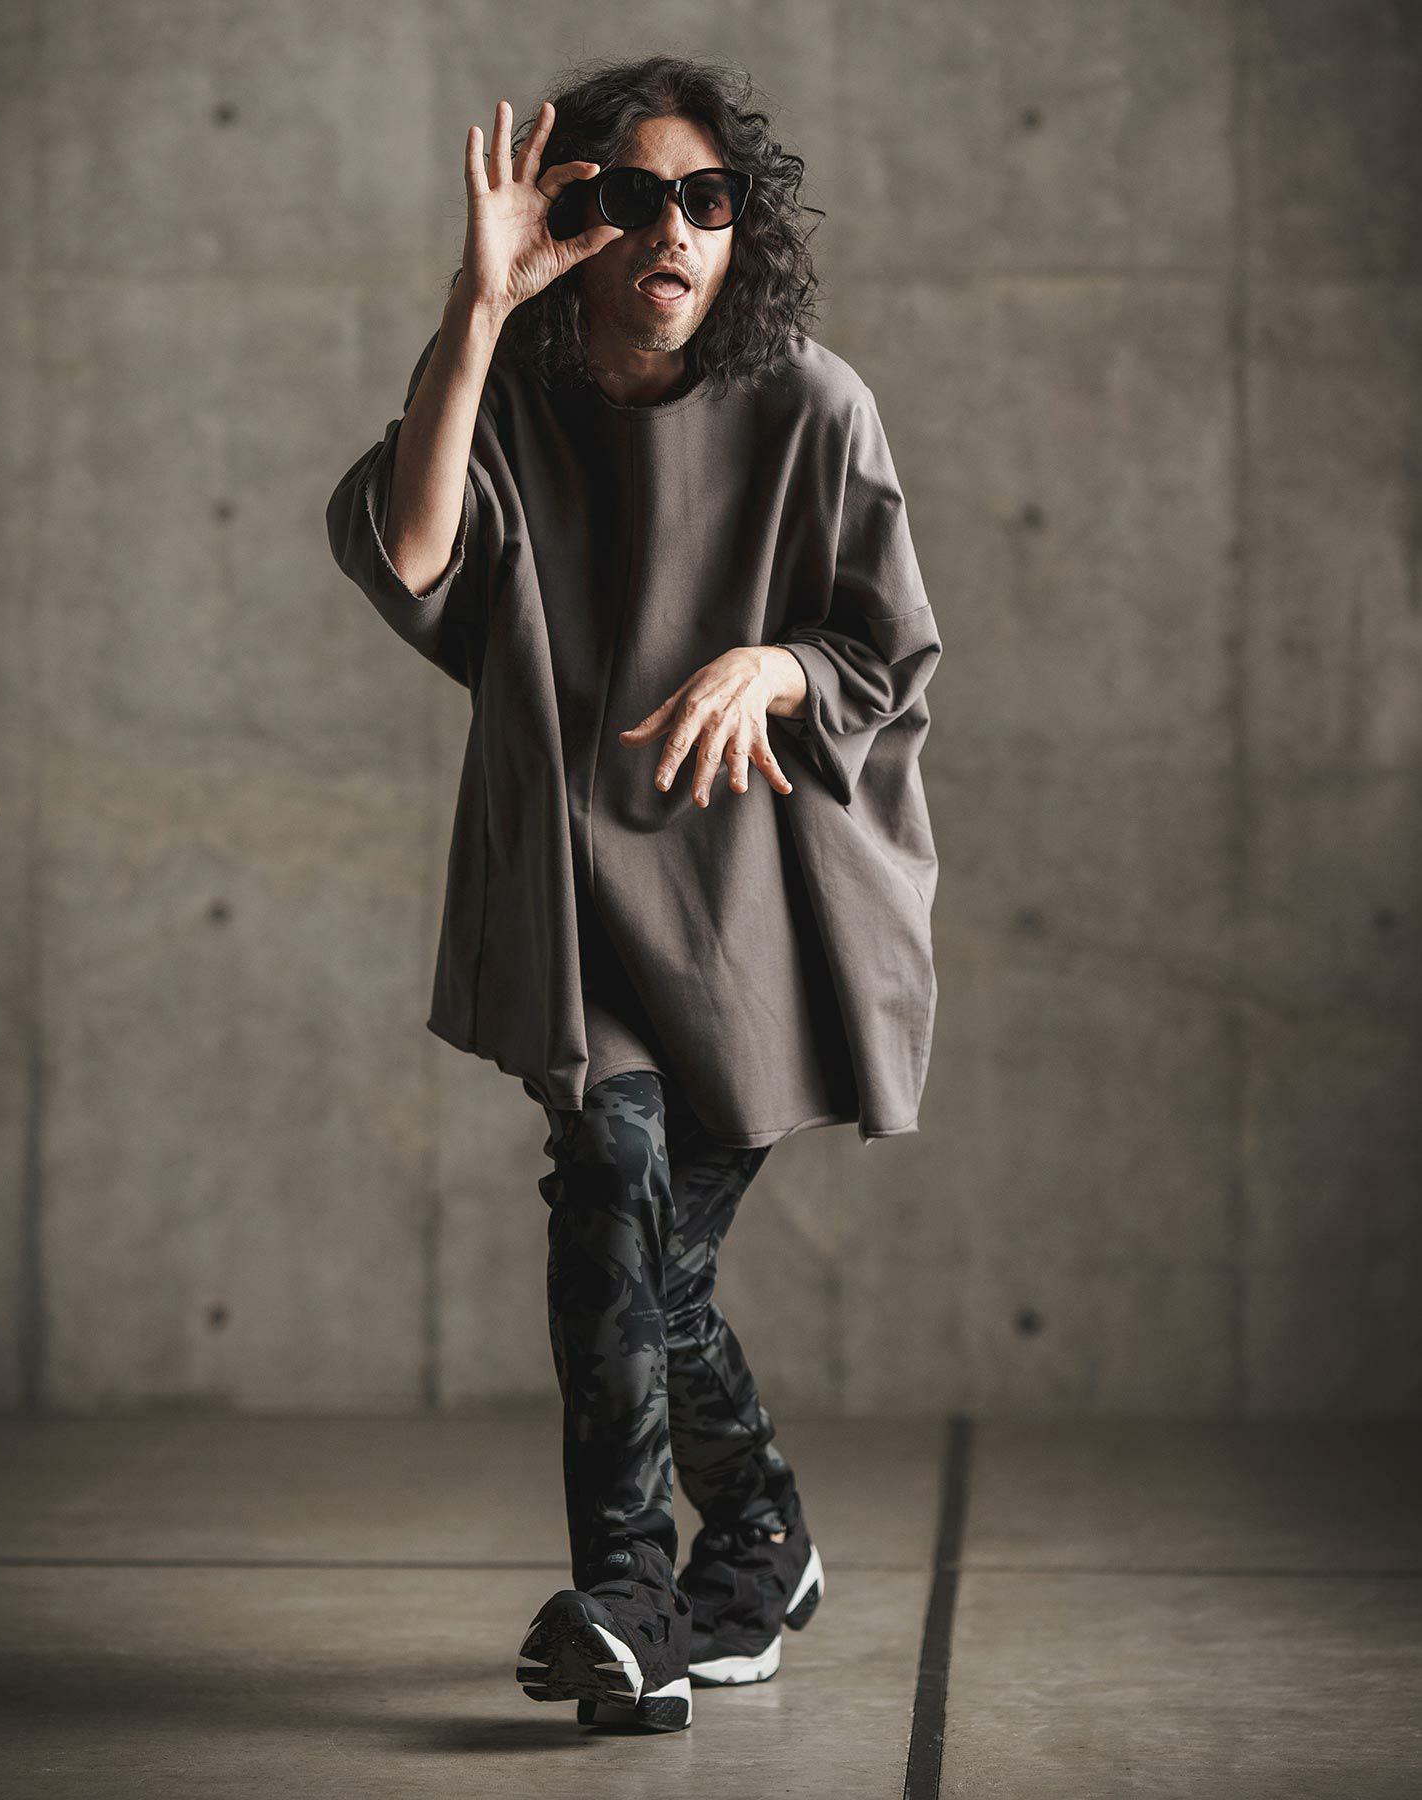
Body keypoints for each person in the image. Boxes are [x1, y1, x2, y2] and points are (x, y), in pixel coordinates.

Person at [325, 53, 942, 1736]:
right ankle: (636, 1602)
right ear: (577, 220)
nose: (675, 230)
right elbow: (414, 552)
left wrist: (776, 665)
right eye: (634, 197)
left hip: (764, 913)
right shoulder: (510, 393)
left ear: (743, 229)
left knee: (650, 1268)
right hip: (581, 902)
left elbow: (886, 654)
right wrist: (476, 308)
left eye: (709, 200)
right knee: (612, 1198)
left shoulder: (812, 404)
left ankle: (751, 1536)